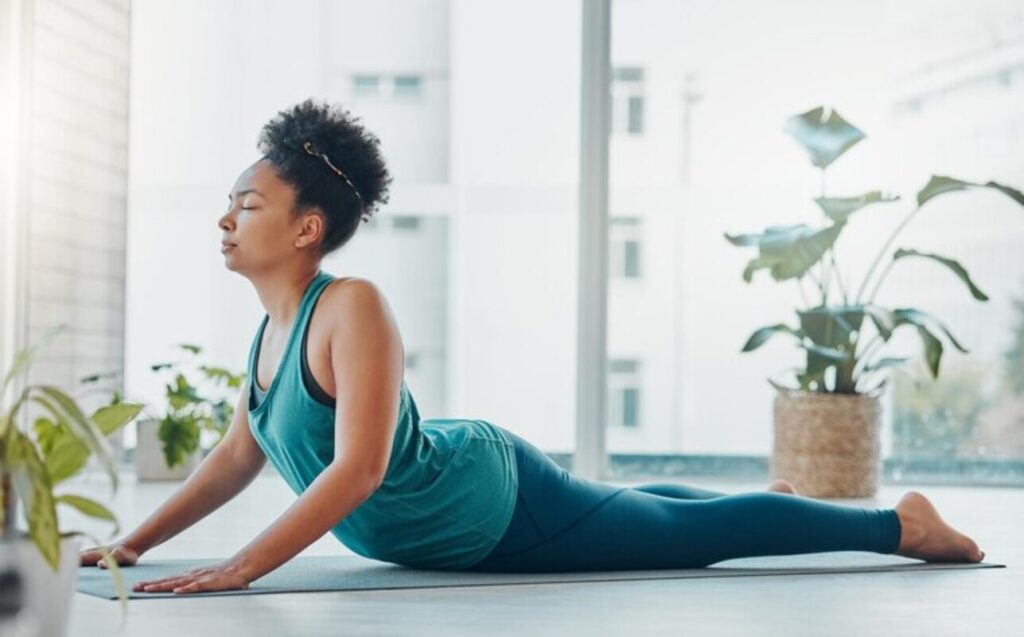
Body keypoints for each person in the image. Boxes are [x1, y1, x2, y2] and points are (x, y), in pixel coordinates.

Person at [79, 99, 984, 594]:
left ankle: (901, 524)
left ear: (308, 226)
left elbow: (355, 471)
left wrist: (240, 568)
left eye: (248, 203)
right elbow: (239, 455)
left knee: (683, 537)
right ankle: (767, 499)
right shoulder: (271, 334)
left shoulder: (350, 306)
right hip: (462, 510)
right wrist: (131, 543)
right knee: (633, 506)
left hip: (491, 507)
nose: (227, 217)